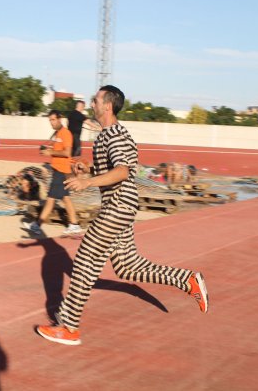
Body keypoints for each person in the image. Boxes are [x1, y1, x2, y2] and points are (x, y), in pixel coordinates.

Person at [35, 86, 209, 346]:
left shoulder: (115, 134)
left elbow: (123, 172)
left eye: (95, 100)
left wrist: (87, 182)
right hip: (119, 205)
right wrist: (89, 169)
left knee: (84, 259)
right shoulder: (106, 135)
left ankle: (69, 327)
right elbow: (113, 167)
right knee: (128, 267)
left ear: (107, 106)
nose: (91, 103)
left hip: (117, 206)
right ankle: (188, 280)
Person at [22, 110, 82, 236]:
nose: (51, 122)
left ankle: (37, 226)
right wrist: (48, 150)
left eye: (53, 120)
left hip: (62, 170)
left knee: (50, 199)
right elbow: (58, 150)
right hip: (59, 170)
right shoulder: (58, 134)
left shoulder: (65, 133)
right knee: (66, 199)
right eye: (50, 120)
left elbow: (67, 153)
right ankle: (74, 225)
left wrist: (50, 153)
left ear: (60, 119)